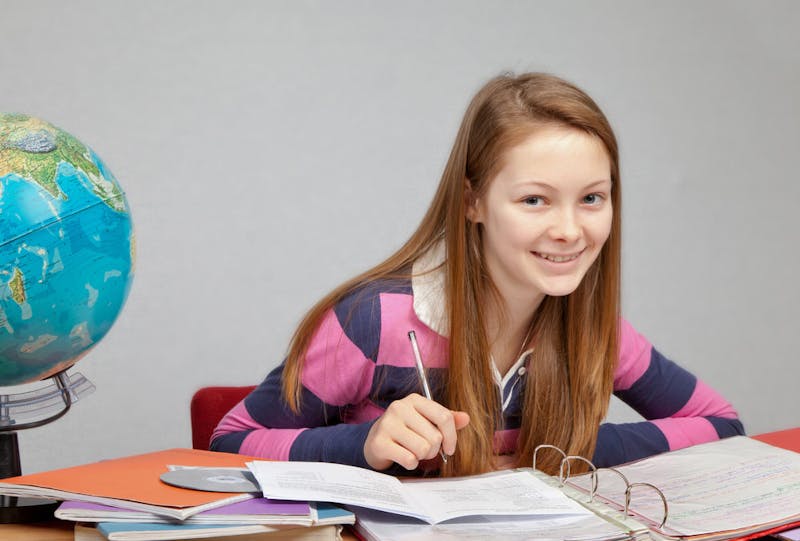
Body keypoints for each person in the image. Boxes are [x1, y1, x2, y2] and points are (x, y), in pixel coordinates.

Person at [211, 72, 744, 476]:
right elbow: (228, 443)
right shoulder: (373, 321)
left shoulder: (594, 328)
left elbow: (723, 426)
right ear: (473, 202)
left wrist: (576, 450)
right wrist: (366, 444)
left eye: (592, 199)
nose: (569, 230)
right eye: (534, 199)